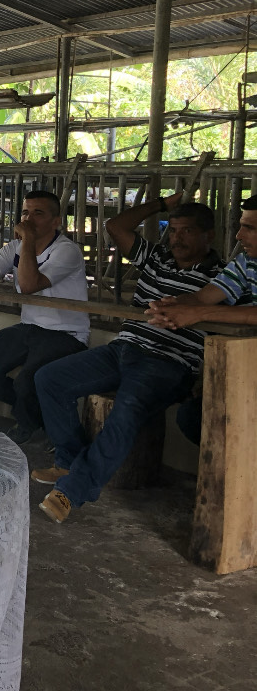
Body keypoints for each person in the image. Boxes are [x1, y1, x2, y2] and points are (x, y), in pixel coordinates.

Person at [31, 196, 222, 524]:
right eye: (173, 230)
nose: (176, 238)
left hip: (169, 363)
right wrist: (161, 203)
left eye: (187, 231)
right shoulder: (157, 258)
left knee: (127, 410)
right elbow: (114, 227)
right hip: (124, 348)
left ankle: (74, 488)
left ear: (209, 236)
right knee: (49, 379)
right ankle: (69, 461)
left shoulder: (223, 278)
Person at [0, 190, 90, 444]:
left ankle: (30, 422)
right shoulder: (16, 247)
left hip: (66, 334)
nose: (28, 219)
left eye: (38, 213)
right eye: (25, 212)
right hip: (29, 327)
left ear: (56, 222)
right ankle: (41, 414)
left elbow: (30, 284)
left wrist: (28, 239)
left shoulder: (67, 250)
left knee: (27, 382)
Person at [145, 193, 257, 443]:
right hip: (248, 370)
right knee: (194, 417)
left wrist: (199, 313)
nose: (239, 236)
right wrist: (169, 306)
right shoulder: (246, 261)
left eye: (249, 228)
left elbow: (204, 308)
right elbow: (204, 297)